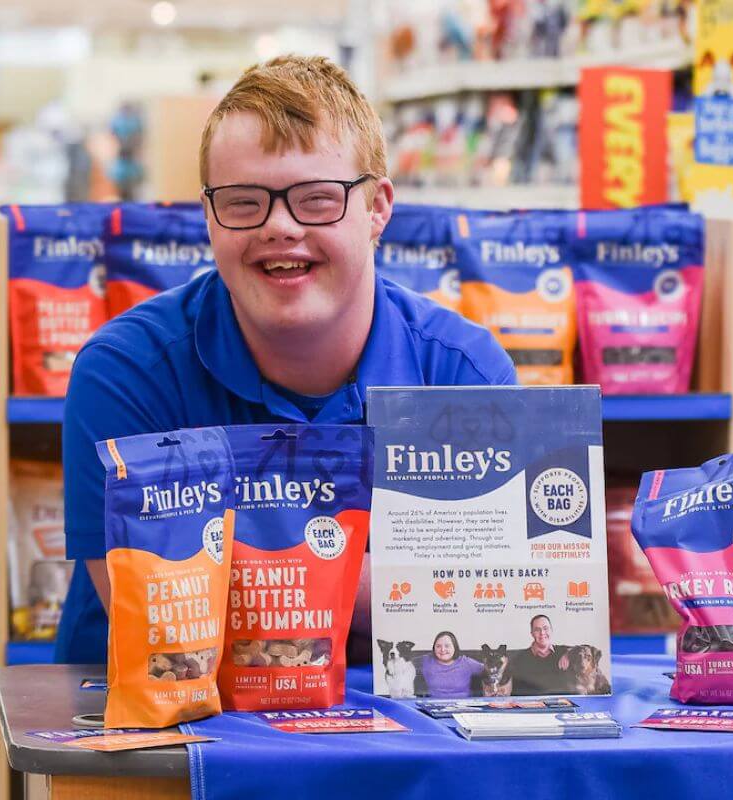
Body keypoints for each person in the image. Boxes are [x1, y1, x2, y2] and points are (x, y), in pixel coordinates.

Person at [54, 56, 516, 663]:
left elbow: (500, 619)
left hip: (406, 736)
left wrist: (240, 578)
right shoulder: (127, 372)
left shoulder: (463, 375)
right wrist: (395, 586)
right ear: (209, 216)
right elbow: (165, 630)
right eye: (244, 202)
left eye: (317, 199)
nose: (278, 226)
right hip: (170, 740)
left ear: (377, 208)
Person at [510, 614, 568, 695]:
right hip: (534, 704)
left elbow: (588, 649)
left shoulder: (564, 652)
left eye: (545, 628)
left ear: (551, 630)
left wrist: (569, 654)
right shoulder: (520, 659)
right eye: (537, 630)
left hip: (561, 703)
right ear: (532, 633)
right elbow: (517, 693)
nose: (542, 633)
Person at [416, 631, 484, 699]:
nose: (442, 649)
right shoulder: (426, 661)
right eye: (438, 646)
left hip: (463, 706)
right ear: (434, 648)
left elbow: (487, 671)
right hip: (433, 705)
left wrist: (489, 685)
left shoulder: (466, 662)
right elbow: (406, 664)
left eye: (447, 646)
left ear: (455, 647)